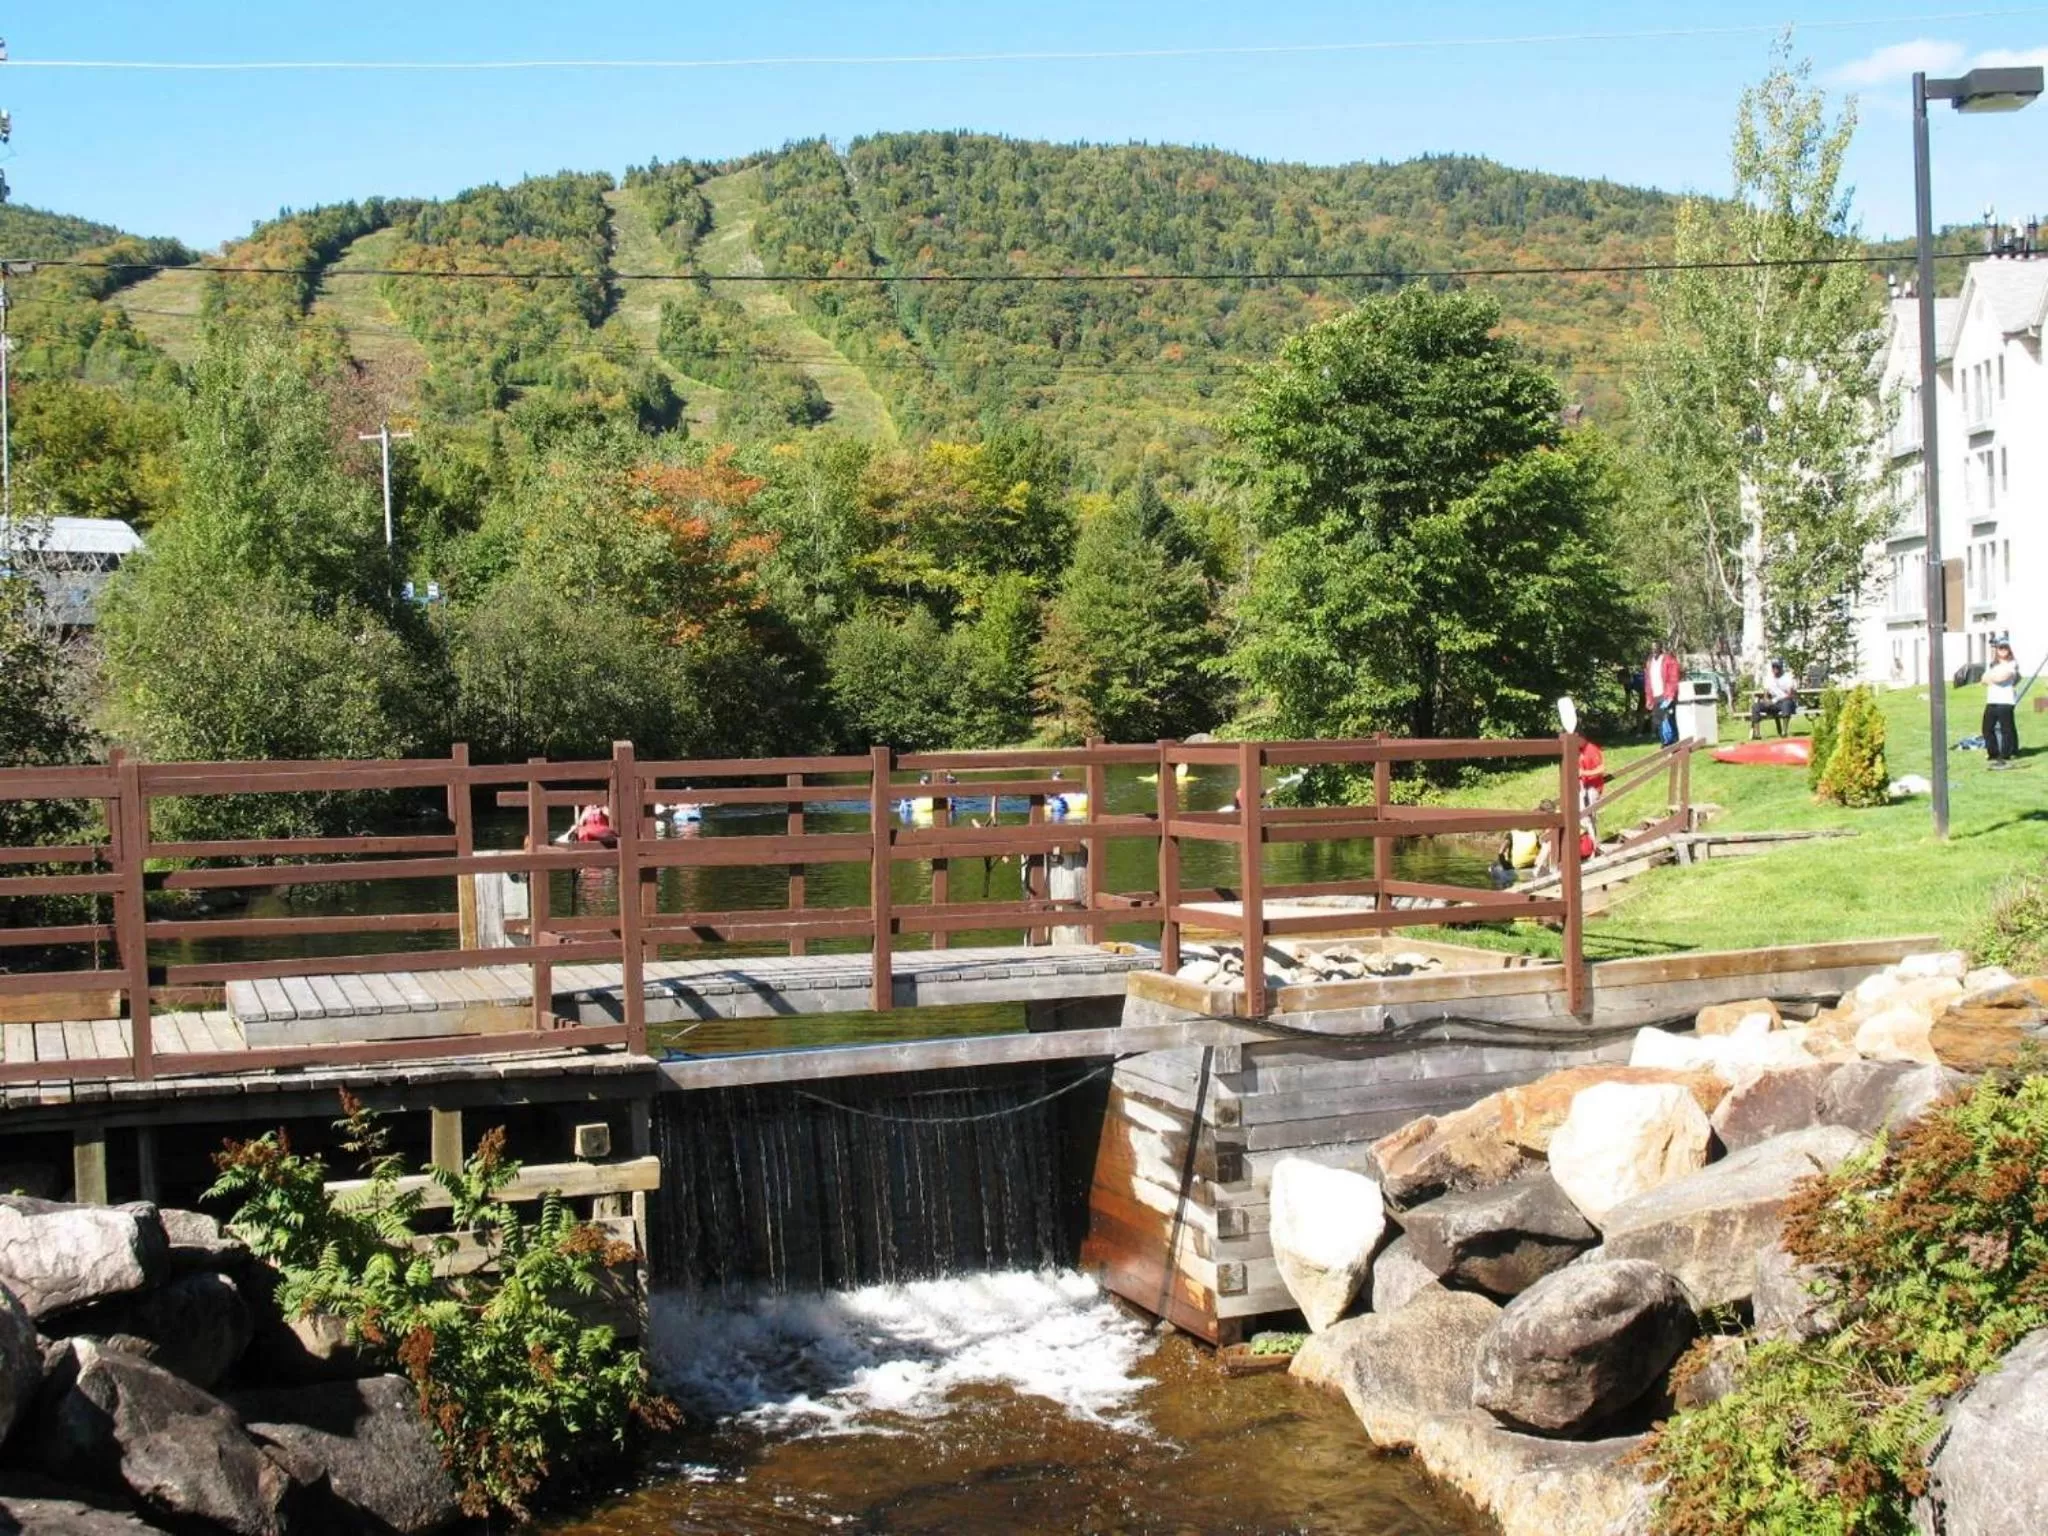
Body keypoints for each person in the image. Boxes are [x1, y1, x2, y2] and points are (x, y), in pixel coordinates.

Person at [1984, 640, 2021, 769]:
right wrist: (1993, 677)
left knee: (2007, 729)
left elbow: (2002, 678)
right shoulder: (1992, 664)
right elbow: (1983, 680)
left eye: (2005, 648)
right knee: (1987, 728)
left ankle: (2006, 754)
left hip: (2005, 701)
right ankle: (1993, 753)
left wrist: (1992, 678)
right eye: (2000, 648)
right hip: (1992, 700)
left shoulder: (2012, 663)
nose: (2002, 650)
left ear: (2009, 650)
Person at [1748, 660, 1799, 739]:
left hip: (1785, 701)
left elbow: (1790, 694)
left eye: (1777, 667)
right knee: (1755, 706)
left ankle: (1784, 732)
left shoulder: (1788, 677)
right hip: (1774, 703)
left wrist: (1775, 700)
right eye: (1773, 667)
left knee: (1786, 703)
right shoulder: (1768, 678)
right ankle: (1757, 734)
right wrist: (1766, 700)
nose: (1775, 669)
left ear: (1781, 668)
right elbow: (1765, 693)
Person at [1645, 642, 1680, 746]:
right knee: (1659, 720)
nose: (1654, 650)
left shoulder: (1668, 660)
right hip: (1655, 695)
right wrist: (1649, 698)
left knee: (1667, 719)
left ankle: (1672, 742)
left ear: (1660, 648)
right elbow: (1648, 682)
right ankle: (1665, 742)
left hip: (1666, 694)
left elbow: (1673, 678)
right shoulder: (1650, 662)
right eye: (1652, 648)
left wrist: (1670, 695)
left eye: (1656, 648)